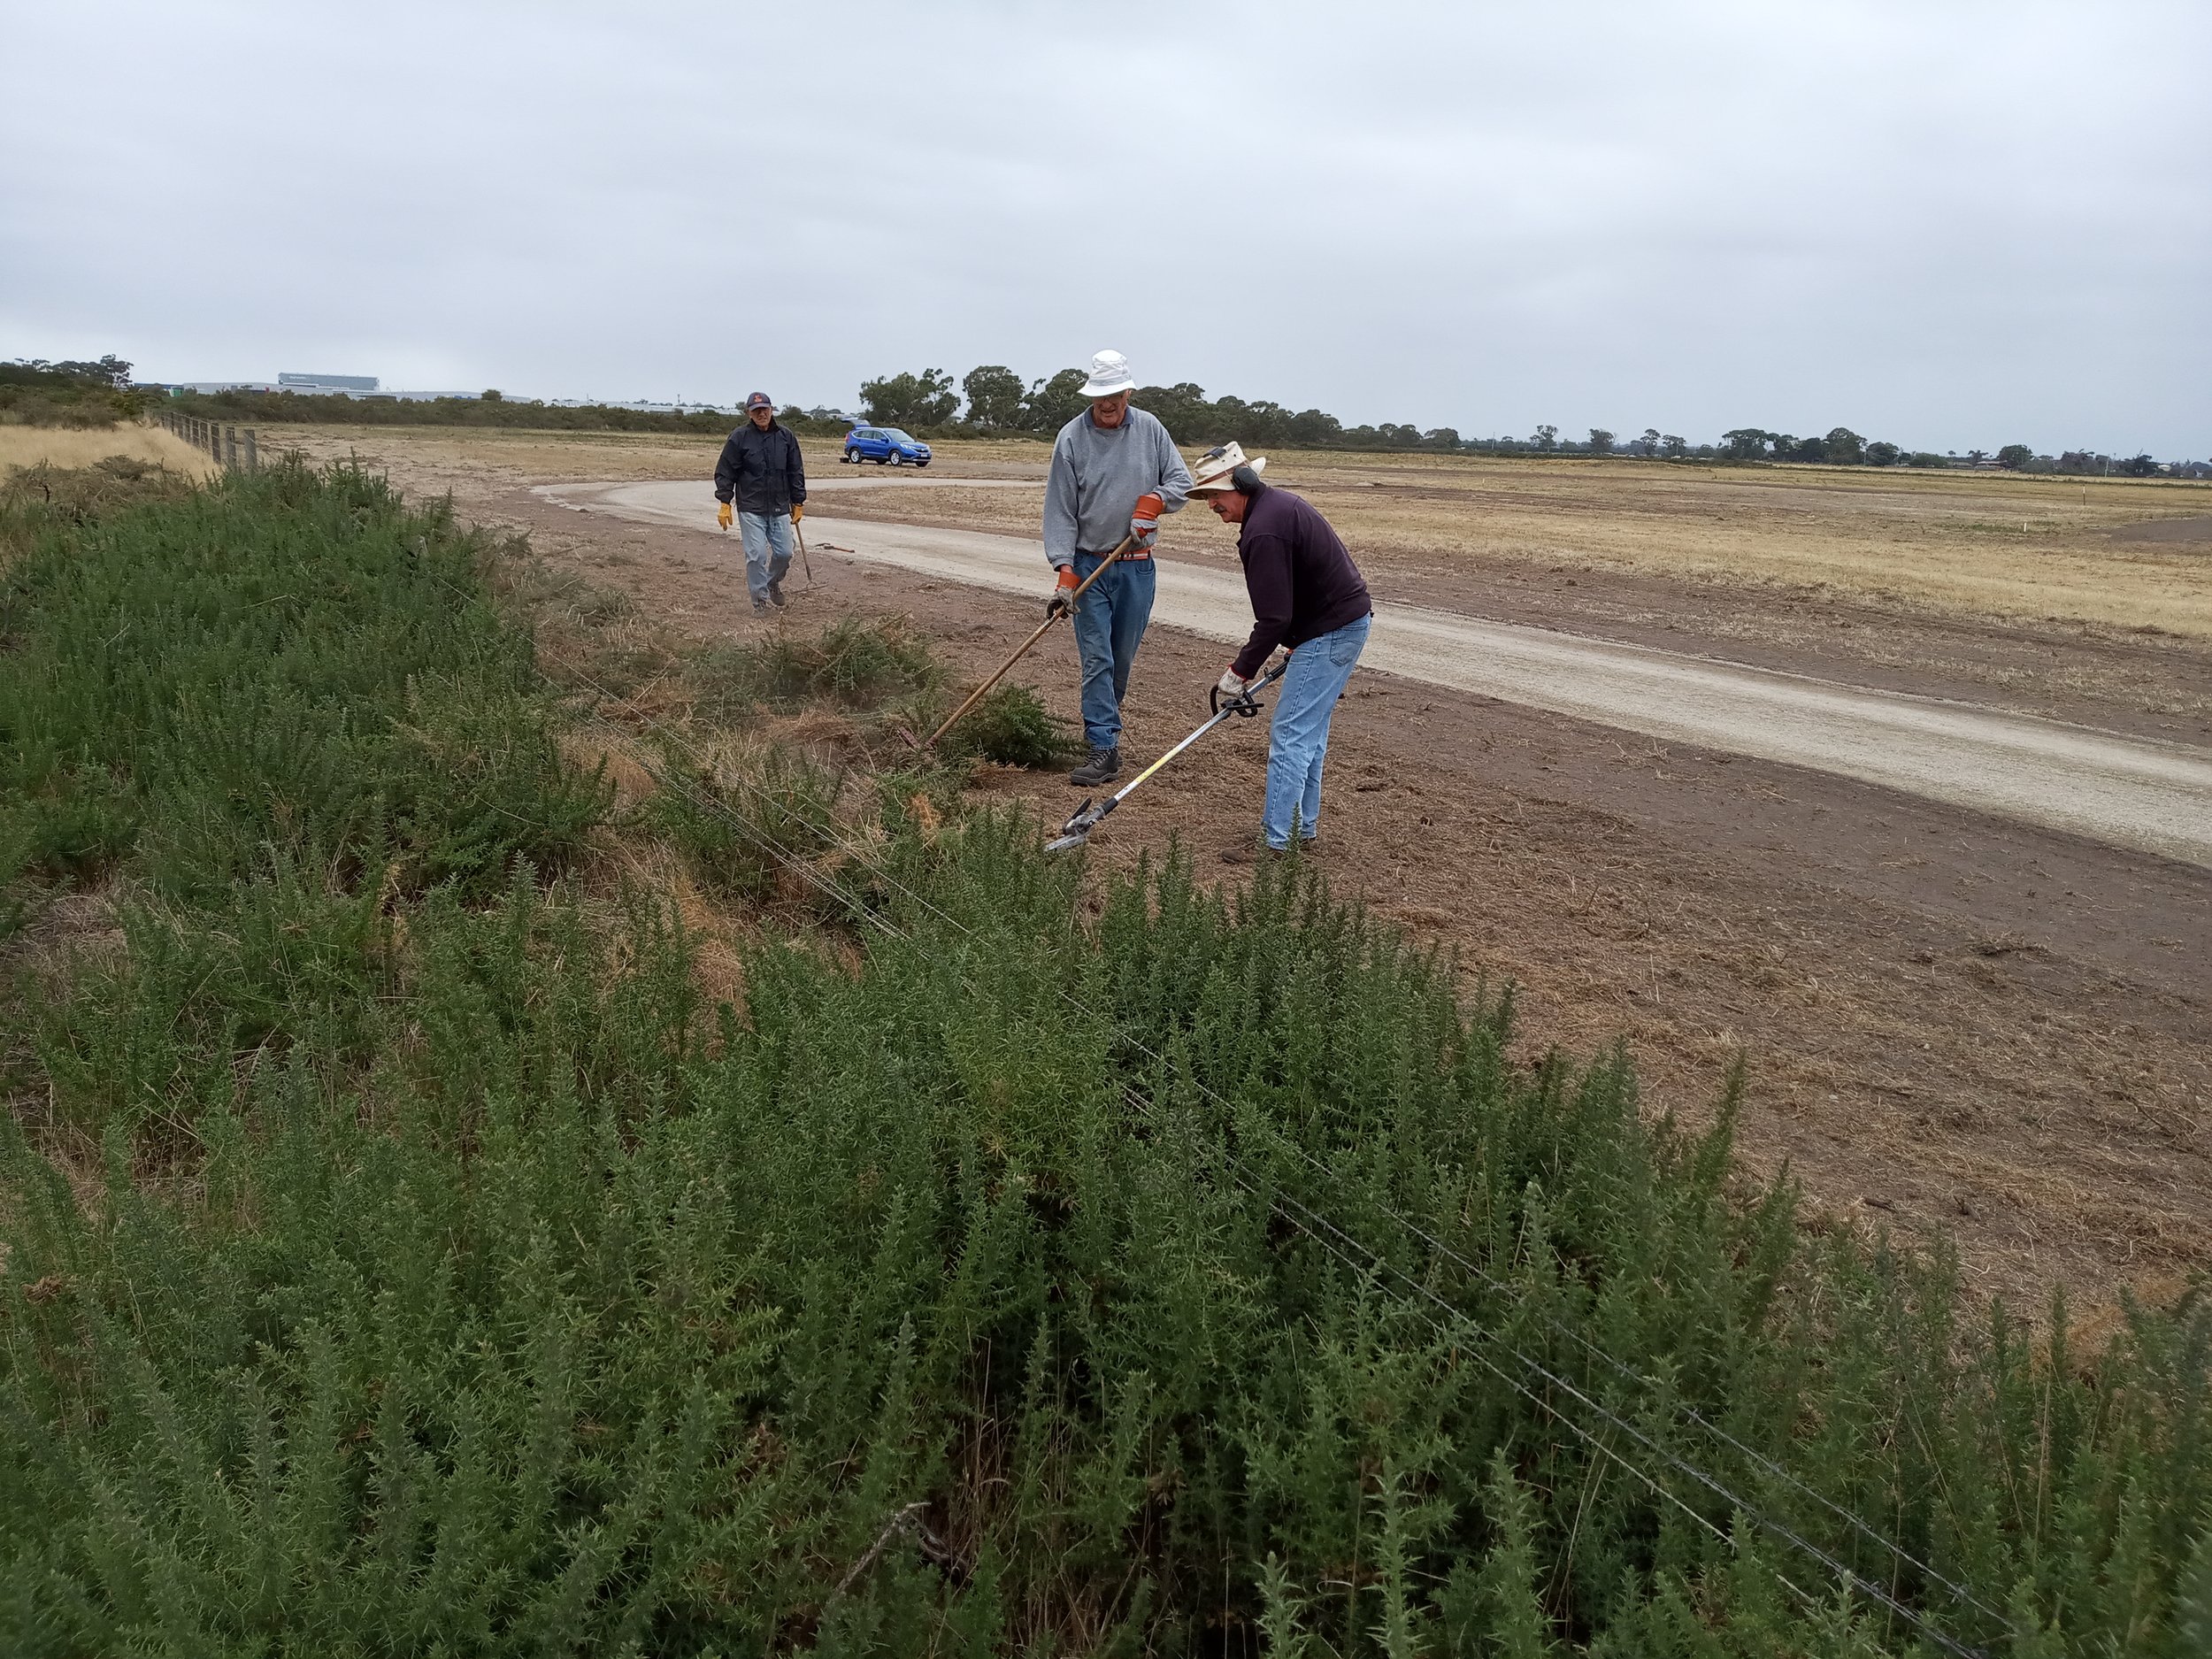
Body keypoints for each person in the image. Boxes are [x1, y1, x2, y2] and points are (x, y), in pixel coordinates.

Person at [1190, 442, 1373, 862]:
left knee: (1291, 735)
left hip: (1332, 631)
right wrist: (1299, 640)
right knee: (1309, 735)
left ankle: (1278, 842)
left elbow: (1272, 617)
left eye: (1216, 494)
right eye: (1206, 496)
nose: (1212, 504)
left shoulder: (1264, 530)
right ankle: (1300, 830)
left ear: (1242, 483)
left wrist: (1240, 672)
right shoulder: (1275, 508)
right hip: (1337, 627)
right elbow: (1293, 600)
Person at [1042, 349, 1194, 786]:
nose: (1107, 405)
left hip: (1138, 568)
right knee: (1097, 660)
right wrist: (1065, 573)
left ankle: (1103, 727)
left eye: (1114, 396)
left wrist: (1154, 503)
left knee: (1120, 661)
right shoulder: (1071, 438)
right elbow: (1060, 512)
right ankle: (1104, 746)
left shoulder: (1150, 430)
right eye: (1099, 397)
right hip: (1091, 565)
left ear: (1128, 392)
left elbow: (1182, 481)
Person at [714, 392, 807, 613]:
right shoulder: (739, 438)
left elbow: (796, 470)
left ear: (772, 409)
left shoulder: (786, 437)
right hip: (751, 507)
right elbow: (725, 471)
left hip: (779, 506)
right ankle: (760, 602)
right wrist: (725, 502)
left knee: (785, 552)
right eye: (756, 410)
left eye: (765, 409)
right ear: (749, 413)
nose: (761, 413)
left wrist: (798, 500)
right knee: (756, 555)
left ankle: (771, 582)